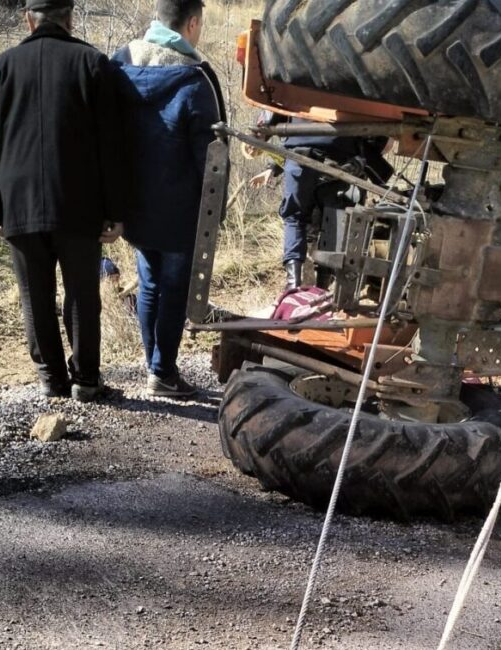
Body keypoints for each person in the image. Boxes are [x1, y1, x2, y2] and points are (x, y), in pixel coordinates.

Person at [0, 0, 124, 402]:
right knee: (82, 292)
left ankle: (51, 379)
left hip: (18, 201)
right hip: (78, 202)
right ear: (70, 17)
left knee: (34, 294)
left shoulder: (2, 66)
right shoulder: (93, 63)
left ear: (29, 20)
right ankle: (87, 380)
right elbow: (110, 146)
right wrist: (115, 210)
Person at [111, 0, 225, 399]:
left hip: (134, 204)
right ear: (191, 24)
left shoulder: (121, 63)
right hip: (180, 209)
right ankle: (162, 372)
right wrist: (216, 212)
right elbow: (212, 156)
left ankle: (154, 366)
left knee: (149, 282)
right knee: (173, 287)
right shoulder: (195, 80)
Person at [251, 111, 393, 291]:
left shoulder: (290, 90)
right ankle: (323, 289)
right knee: (335, 221)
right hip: (341, 162)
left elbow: (263, 126)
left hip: (299, 158)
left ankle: (293, 286)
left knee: (294, 218)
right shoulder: (359, 93)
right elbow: (386, 141)